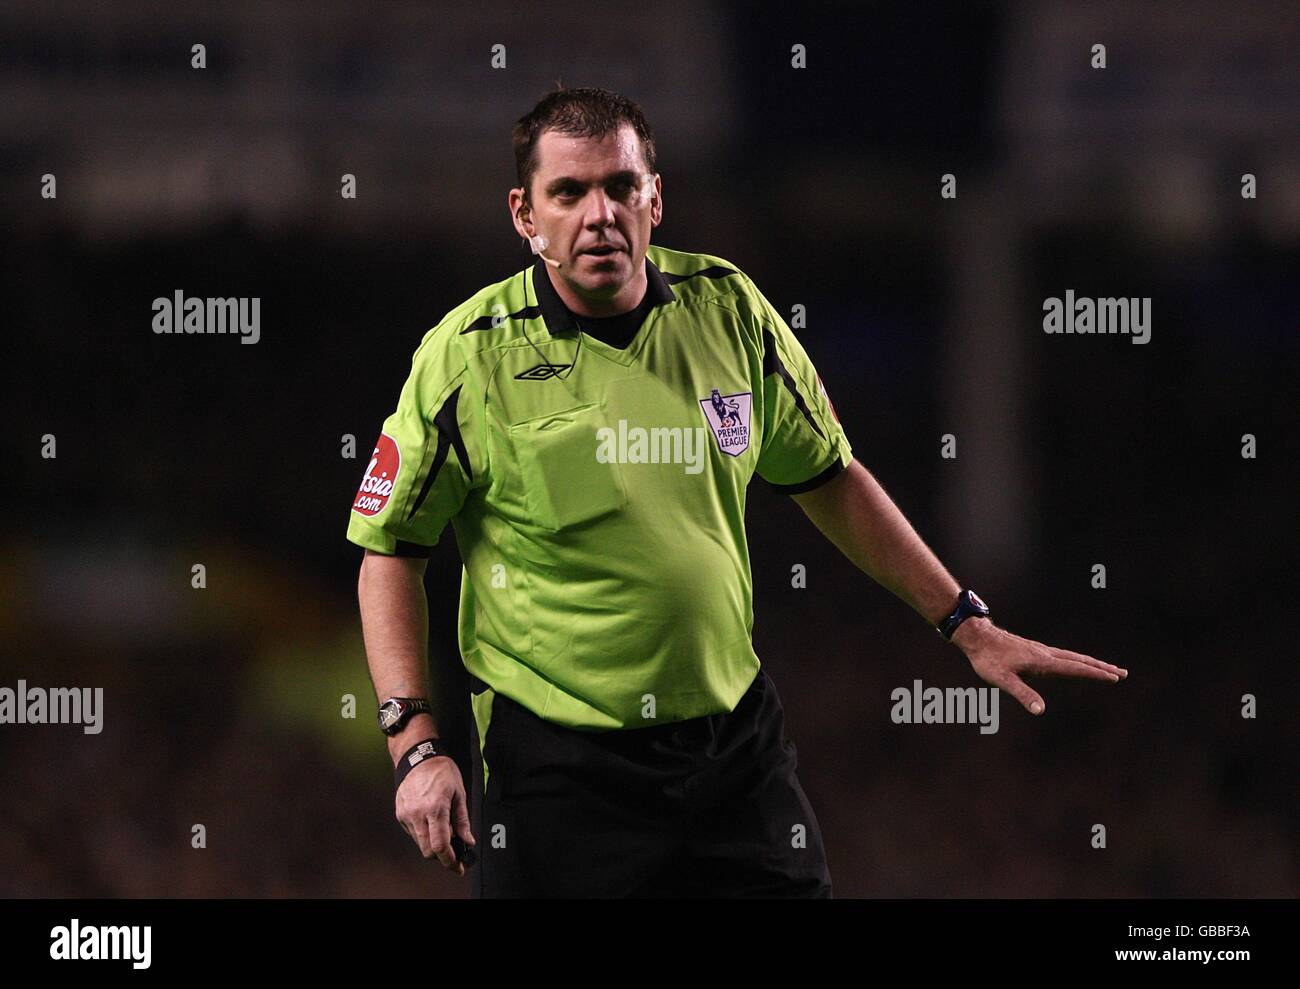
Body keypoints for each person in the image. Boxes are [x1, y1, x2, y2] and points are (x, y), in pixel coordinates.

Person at [348, 86, 1128, 898]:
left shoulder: (728, 310)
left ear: (655, 198)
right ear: (525, 214)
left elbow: (830, 477)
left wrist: (965, 622)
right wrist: (415, 742)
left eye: (620, 186)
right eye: (569, 192)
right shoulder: (466, 358)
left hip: (731, 751)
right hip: (557, 767)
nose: (600, 215)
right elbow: (389, 552)